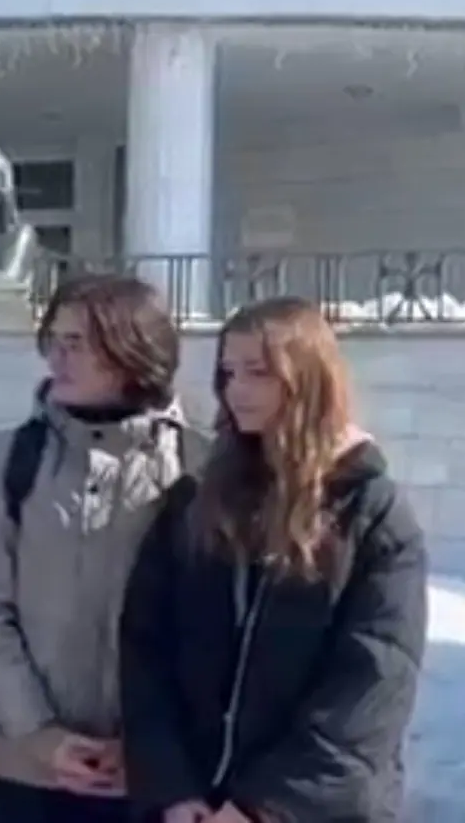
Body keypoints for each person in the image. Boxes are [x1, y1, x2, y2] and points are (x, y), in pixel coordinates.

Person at [120, 295, 429, 823]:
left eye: (258, 373)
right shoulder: (198, 501)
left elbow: (372, 681)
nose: (236, 390)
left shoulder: (372, 513)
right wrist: (172, 788)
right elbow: (146, 650)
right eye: (228, 372)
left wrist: (262, 806)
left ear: (308, 380)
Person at [0, 273, 206, 822]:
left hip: (156, 778)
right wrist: (41, 736)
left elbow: (211, 631)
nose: (58, 358)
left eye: (78, 343)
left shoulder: (198, 464)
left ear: (132, 351)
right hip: (28, 771)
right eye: (54, 340)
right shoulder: (12, 458)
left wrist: (146, 744)